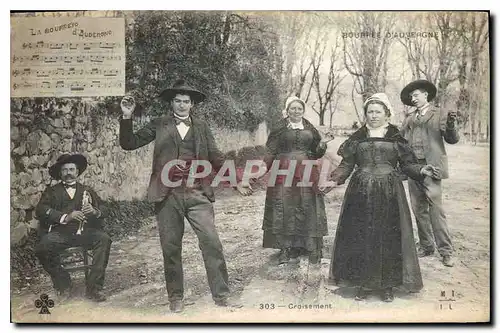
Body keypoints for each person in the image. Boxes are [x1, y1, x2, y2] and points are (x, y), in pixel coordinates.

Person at [118, 79, 250, 313]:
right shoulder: (159, 124)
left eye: (186, 102)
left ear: (192, 105)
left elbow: (216, 157)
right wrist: (127, 116)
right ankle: (175, 297)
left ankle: (222, 295)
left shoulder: (201, 127)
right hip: (168, 196)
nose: (181, 105)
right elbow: (129, 143)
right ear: (172, 103)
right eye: (177, 101)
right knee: (170, 247)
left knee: (212, 243)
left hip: (198, 193)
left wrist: (236, 180)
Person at [326, 93, 435, 302]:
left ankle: (387, 286)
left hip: (389, 192)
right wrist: (335, 179)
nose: (373, 115)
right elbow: (347, 165)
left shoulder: (396, 137)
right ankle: (363, 284)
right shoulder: (357, 138)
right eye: (370, 112)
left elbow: (407, 165)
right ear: (366, 114)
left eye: (378, 112)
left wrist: (422, 170)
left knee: (388, 236)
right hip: (360, 192)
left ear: (387, 114)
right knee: (361, 235)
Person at [35, 153, 111, 302]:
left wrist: (96, 211)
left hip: (86, 232)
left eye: (71, 169)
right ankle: (63, 282)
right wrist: (66, 217)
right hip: (61, 234)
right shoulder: (52, 191)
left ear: (77, 172)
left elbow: (105, 207)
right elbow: (41, 210)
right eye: (65, 170)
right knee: (42, 248)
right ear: (60, 173)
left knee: (104, 240)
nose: (68, 173)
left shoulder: (87, 190)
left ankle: (94, 288)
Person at [399, 80, 459, 267]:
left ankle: (446, 251)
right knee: (418, 210)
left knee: (436, 210)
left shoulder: (439, 114)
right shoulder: (409, 118)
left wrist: (450, 124)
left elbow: (452, 139)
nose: (413, 99)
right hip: (413, 169)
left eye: (416, 95)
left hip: (432, 169)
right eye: (411, 97)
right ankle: (426, 246)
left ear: (426, 95)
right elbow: (400, 141)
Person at [262, 96, 328, 265]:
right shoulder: (279, 128)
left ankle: (310, 247)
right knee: (284, 206)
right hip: (283, 170)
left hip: (306, 169)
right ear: (287, 110)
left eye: (299, 108)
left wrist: (323, 144)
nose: (296, 111)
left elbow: (316, 152)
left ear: (303, 111)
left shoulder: (309, 128)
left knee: (307, 204)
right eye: (293, 108)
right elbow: (270, 150)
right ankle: (285, 249)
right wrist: (263, 167)